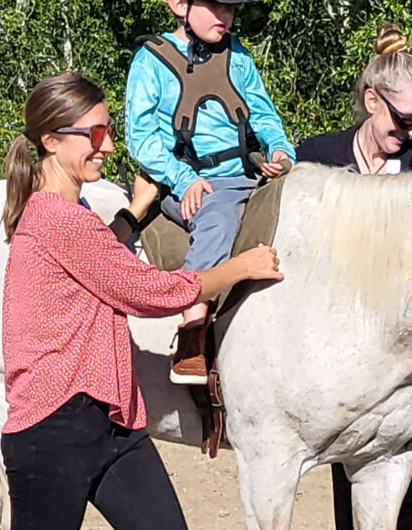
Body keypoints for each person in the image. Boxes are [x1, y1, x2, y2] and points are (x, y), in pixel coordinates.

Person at [0, 70, 283, 530]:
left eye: (107, 132)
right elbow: (149, 292)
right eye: (94, 134)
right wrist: (239, 268)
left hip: (113, 426)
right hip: (54, 434)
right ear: (52, 140)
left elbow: (102, 257)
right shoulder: (56, 221)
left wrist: (134, 211)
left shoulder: (70, 222)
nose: (107, 145)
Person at [293, 24, 412, 530]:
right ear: (370, 100)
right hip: (333, 358)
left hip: (406, 364)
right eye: (402, 121)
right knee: (351, 489)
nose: (411, 135)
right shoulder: (317, 157)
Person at [125, 0, 296, 386]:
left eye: (232, 9)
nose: (225, 17)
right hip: (180, 181)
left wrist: (280, 151)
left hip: (245, 175)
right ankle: (192, 328)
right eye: (216, 6)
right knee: (217, 215)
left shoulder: (238, 56)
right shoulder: (151, 60)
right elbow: (141, 138)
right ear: (179, 5)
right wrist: (183, 179)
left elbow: (264, 115)